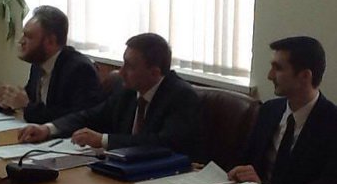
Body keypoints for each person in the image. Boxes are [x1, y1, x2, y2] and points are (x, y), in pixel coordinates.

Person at [17, 33, 200, 155]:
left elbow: (163, 143)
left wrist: (103, 140)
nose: (121, 72)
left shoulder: (181, 96)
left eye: (130, 66)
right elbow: (91, 115)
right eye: (123, 63)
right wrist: (48, 129)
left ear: (154, 72)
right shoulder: (126, 90)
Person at [228, 36, 337, 184]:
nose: (270, 76)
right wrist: (239, 172)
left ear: (305, 76)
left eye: (278, 68)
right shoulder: (269, 110)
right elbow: (246, 160)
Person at [0, 6, 102, 123]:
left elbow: (77, 118)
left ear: (50, 42)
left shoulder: (79, 69)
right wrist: (7, 101)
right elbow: (29, 100)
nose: (21, 41)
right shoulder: (39, 63)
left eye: (28, 37)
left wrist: (26, 106)